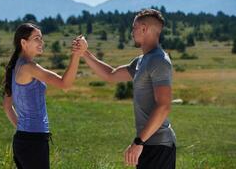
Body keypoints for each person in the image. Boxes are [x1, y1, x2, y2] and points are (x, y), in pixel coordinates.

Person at [73, 9, 176, 169]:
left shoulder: (159, 61)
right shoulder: (141, 61)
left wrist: (138, 141)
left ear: (144, 28)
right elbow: (111, 75)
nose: (131, 32)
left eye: (134, 27)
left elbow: (164, 106)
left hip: (158, 146)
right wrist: (84, 53)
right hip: (147, 144)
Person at [2, 23, 86, 169]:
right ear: (23, 42)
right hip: (33, 142)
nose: (41, 42)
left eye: (41, 38)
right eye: (36, 38)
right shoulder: (29, 67)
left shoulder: (15, 66)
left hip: (23, 140)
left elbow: (7, 107)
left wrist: (24, 128)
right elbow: (64, 84)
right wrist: (77, 55)